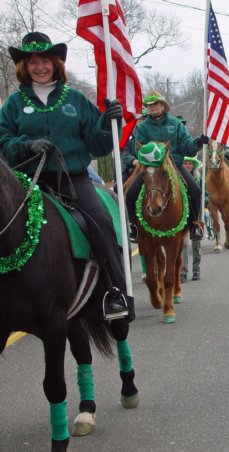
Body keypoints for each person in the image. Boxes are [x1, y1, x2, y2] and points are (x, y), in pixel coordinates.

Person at [0, 31, 134, 321]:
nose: (39, 67)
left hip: (73, 180)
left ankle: (116, 292)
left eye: (45, 60)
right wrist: (25, 145)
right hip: (28, 183)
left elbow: (98, 146)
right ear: (24, 66)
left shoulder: (75, 100)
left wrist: (111, 121)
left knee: (101, 223)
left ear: (55, 63)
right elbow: (3, 143)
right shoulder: (12, 104)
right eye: (33, 61)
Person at [125, 89, 208, 241]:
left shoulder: (175, 124)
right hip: (151, 168)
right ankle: (133, 227)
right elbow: (140, 150)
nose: (151, 107)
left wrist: (198, 143)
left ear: (162, 105)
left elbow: (187, 145)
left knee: (195, 191)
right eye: (148, 105)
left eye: (155, 104)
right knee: (130, 193)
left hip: (175, 165)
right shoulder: (142, 128)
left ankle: (195, 224)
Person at [180, 156, 202, 282]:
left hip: (195, 215)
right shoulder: (177, 178)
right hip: (182, 215)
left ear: (193, 166)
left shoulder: (199, 179)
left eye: (190, 164)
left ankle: (196, 269)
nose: (188, 166)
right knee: (183, 245)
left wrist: (205, 202)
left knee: (196, 244)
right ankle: (183, 272)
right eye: (185, 163)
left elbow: (205, 194)